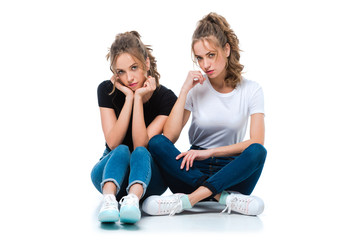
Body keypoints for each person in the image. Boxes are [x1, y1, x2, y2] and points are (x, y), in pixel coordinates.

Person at [142, 12, 267, 216]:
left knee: (258, 152)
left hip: (232, 173)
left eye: (211, 55)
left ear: (226, 49)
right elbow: (170, 136)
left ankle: (188, 200)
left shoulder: (252, 90)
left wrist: (209, 152)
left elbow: (256, 141)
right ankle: (222, 197)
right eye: (199, 58)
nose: (205, 65)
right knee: (156, 142)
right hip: (192, 170)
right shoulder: (196, 88)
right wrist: (184, 90)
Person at [90, 31, 177, 224]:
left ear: (146, 64)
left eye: (134, 67)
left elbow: (141, 144)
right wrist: (129, 98)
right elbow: (113, 143)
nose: (129, 78)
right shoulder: (106, 90)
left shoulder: (166, 98)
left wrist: (138, 98)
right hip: (110, 175)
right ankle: (109, 201)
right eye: (121, 72)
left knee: (138, 152)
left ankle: (133, 201)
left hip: (147, 177)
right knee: (121, 150)